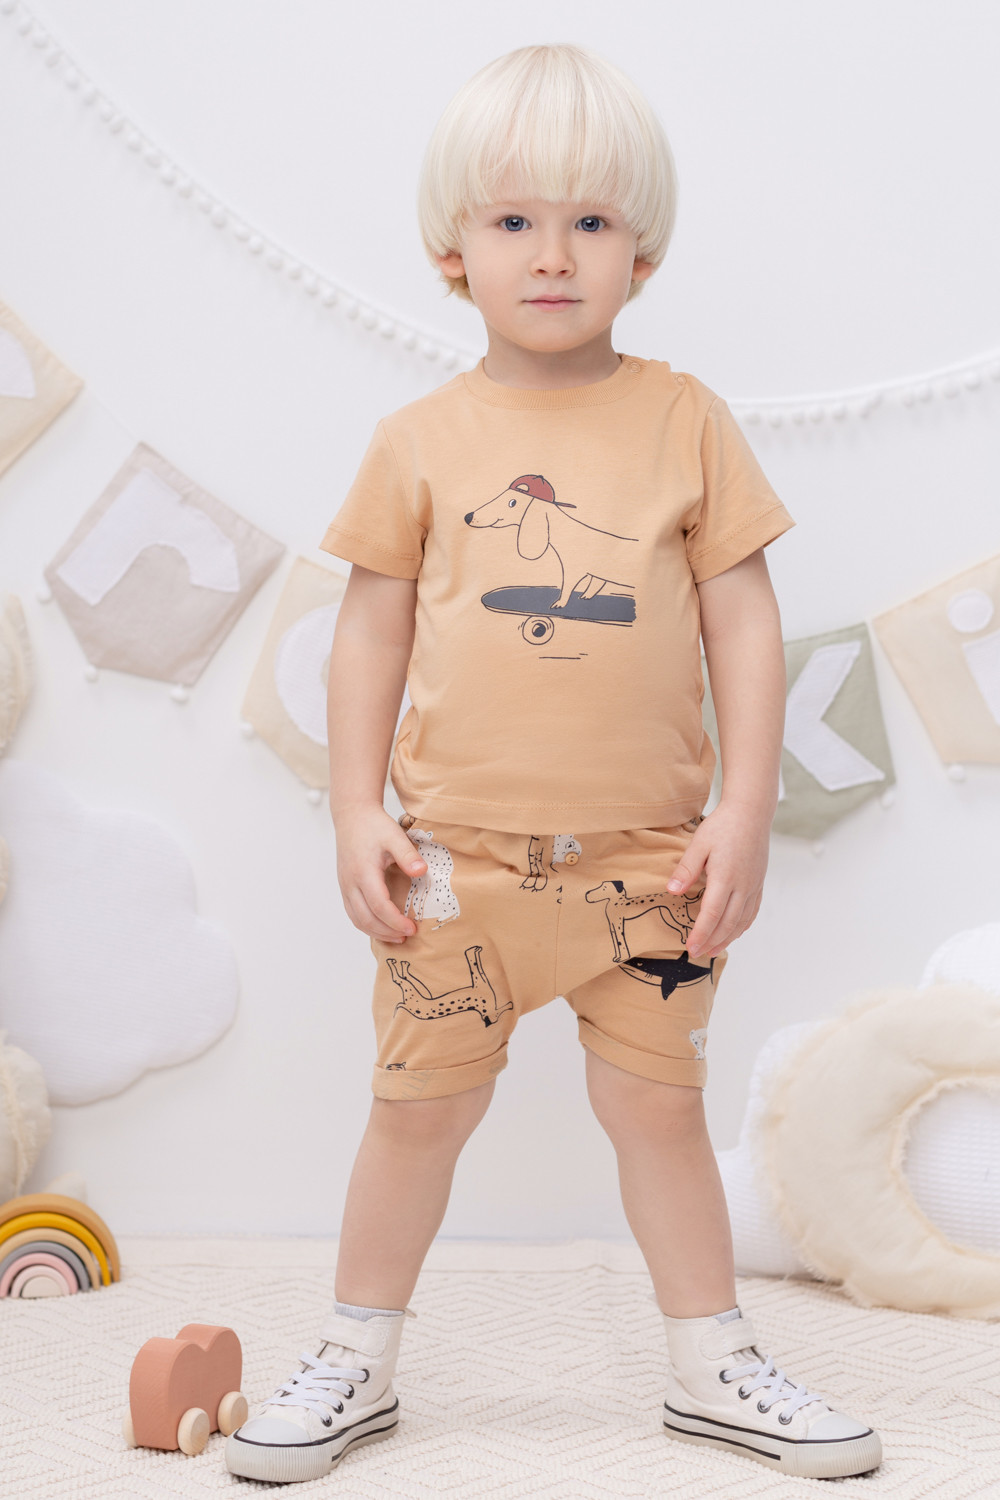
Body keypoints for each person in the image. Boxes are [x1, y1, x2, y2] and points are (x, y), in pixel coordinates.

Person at [226, 42, 882, 1486]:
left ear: (641, 254)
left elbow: (743, 618)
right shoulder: (419, 441)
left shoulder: (686, 420)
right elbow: (368, 632)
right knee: (418, 1112)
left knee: (659, 1111)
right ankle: (354, 1352)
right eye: (514, 219)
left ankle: (712, 1359)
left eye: (591, 221)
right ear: (449, 250)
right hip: (452, 867)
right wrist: (352, 808)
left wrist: (747, 807)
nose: (552, 254)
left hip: (651, 867)